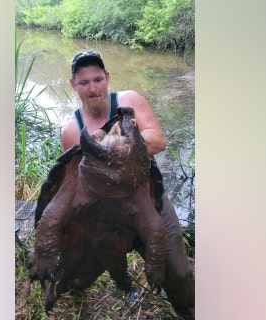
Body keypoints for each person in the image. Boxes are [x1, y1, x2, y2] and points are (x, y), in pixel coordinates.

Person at [61, 50, 195, 319]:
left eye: (98, 79)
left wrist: (115, 147)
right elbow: (73, 183)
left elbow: (157, 139)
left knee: (178, 272)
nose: (93, 88)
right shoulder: (71, 131)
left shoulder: (128, 101)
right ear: (73, 85)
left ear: (107, 77)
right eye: (84, 82)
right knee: (79, 274)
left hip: (148, 202)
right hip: (106, 216)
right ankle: (98, 286)